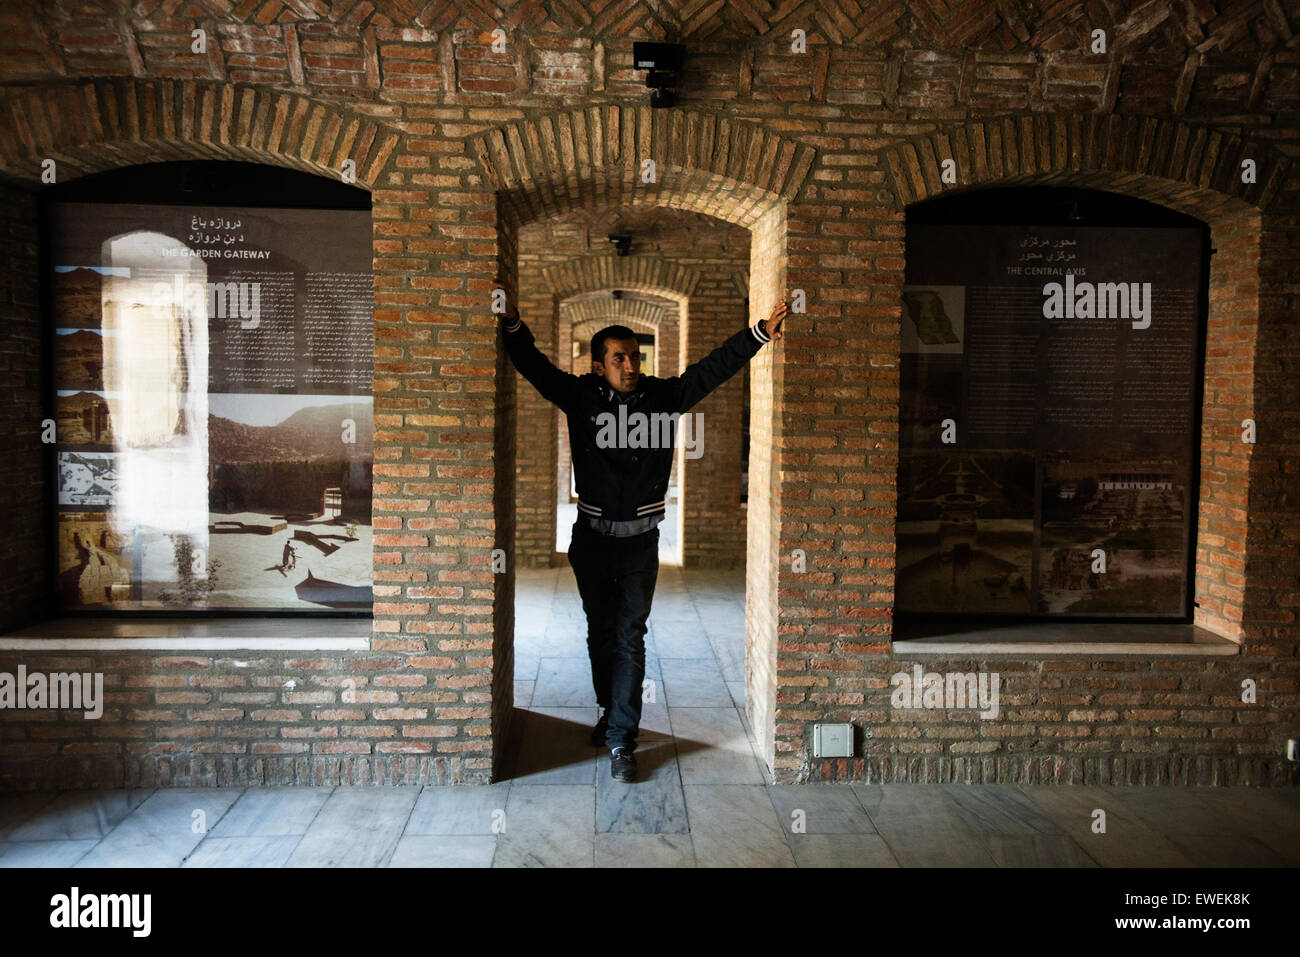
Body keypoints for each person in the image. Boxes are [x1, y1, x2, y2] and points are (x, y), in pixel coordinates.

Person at [498, 278, 787, 782]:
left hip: (640, 545)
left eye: (635, 356)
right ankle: (610, 713)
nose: (631, 366)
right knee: (599, 632)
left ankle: (621, 739)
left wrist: (758, 334)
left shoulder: (662, 396)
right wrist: (512, 321)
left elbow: (712, 370)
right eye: (619, 359)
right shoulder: (580, 396)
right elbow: (534, 365)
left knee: (629, 635)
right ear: (598, 364)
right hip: (589, 542)